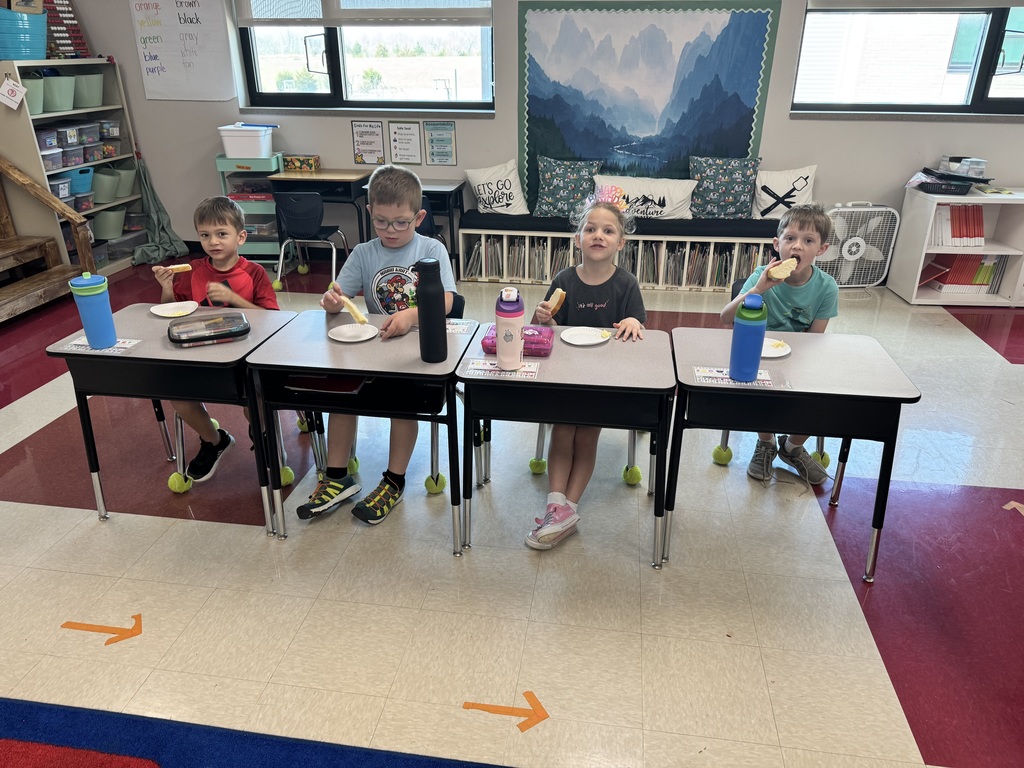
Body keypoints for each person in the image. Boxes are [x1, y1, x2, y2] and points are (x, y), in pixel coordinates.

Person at [299, 165, 456, 524]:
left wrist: (411, 315)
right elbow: (339, 293)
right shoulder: (365, 253)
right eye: (382, 221)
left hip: (418, 348)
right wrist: (333, 302)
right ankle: (337, 477)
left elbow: (447, 300)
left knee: (402, 403)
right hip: (373, 347)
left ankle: (393, 480)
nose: (390, 230)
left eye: (401, 222)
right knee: (342, 394)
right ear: (370, 213)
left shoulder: (431, 249)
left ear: (418, 217)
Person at [526, 187, 646, 550]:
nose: (598, 235)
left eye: (608, 230)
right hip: (566, 373)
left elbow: (639, 326)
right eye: (590, 229)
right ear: (578, 239)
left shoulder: (626, 284)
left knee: (586, 434)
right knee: (563, 431)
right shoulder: (565, 280)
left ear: (621, 242)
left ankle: (569, 508)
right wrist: (540, 316)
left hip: (603, 377)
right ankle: (556, 506)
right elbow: (542, 328)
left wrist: (633, 323)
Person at [152, 196, 279, 483]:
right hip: (201, 354)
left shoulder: (254, 273)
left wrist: (234, 299)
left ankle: (262, 434)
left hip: (246, 357)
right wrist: (167, 289)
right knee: (179, 397)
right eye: (205, 235)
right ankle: (214, 440)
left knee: (255, 402)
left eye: (222, 234)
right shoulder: (194, 271)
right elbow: (173, 312)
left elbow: (273, 319)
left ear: (241, 237)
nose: (213, 242)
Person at [719, 202, 838, 484]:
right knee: (756, 391)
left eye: (808, 241)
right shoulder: (761, 276)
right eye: (790, 238)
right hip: (756, 355)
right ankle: (767, 442)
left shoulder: (826, 288)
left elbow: (815, 340)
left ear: (821, 249)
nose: (797, 247)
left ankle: (792, 447)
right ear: (777, 244)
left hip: (799, 357)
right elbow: (726, 318)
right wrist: (759, 288)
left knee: (826, 396)